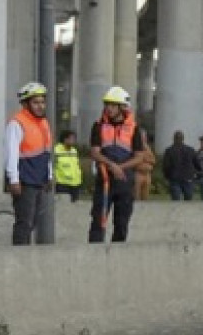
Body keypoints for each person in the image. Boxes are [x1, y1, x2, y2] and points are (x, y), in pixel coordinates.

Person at [87, 86, 149, 243]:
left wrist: (120, 168)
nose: (108, 108)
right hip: (105, 180)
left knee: (122, 223)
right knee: (98, 222)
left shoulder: (134, 128)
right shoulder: (99, 125)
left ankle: (116, 256)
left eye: (113, 105)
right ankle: (95, 254)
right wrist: (112, 166)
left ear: (122, 107)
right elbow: (95, 153)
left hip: (125, 181)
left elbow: (139, 157)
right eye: (107, 104)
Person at [4, 81, 56, 245]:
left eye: (42, 102)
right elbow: (11, 153)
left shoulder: (43, 123)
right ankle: (20, 255)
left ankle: (24, 252)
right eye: (36, 102)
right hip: (24, 180)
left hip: (38, 179)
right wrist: (13, 179)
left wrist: (48, 175)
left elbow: (45, 151)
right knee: (24, 222)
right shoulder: (17, 123)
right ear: (26, 104)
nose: (40, 106)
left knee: (32, 222)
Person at [160, 131, 196, 201]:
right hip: (187, 177)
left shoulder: (169, 150)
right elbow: (196, 163)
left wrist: (167, 176)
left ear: (174, 139)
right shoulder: (190, 150)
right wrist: (194, 173)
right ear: (183, 139)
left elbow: (166, 166)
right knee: (188, 198)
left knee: (176, 199)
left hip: (174, 177)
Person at [53, 130, 84, 203]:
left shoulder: (74, 151)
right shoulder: (56, 150)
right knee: (63, 206)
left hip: (75, 183)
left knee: (74, 207)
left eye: (74, 139)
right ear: (65, 139)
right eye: (71, 139)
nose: (73, 141)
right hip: (62, 183)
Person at [133, 131, 158, 201]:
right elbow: (134, 160)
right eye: (141, 137)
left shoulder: (149, 148)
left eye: (144, 137)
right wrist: (144, 158)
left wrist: (146, 158)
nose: (143, 139)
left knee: (145, 198)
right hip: (138, 173)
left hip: (147, 174)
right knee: (136, 197)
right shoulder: (134, 146)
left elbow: (153, 160)